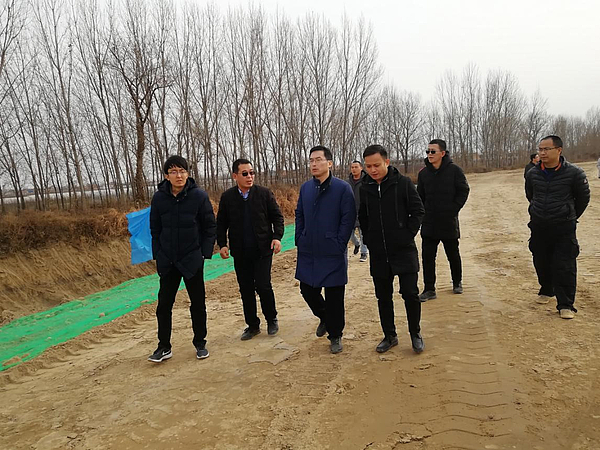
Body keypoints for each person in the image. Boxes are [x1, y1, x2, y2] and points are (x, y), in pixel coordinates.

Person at [149, 155, 217, 362]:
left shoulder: (199, 196)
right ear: (166, 176)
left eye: (182, 171)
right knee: (164, 305)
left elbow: (210, 227)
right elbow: (155, 229)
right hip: (168, 260)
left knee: (197, 303)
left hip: (192, 259)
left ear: (188, 173)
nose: (179, 175)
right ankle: (164, 346)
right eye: (174, 172)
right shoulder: (159, 198)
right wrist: (158, 255)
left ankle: (200, 343)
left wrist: (203, 253)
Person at [358, 145, 425, 354]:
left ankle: (415, 333)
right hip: (379, 253)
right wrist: (369, 239)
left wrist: (407, 234)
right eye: (368, 166)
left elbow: (418, 211)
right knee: (383, 297)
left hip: (403, 250)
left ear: (386, 162)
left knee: (410, 294)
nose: (372, 170)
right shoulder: (365, 188)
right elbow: (363, 217)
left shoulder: (403, 183)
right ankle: (389, 335)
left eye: (376, 165)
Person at [295, 145, 356, 354]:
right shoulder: (306, 188)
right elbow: (299, 214)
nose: (314, 164)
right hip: (309, 249)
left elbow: (348, 218)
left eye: (318, 160)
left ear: (329, 163)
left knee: (334, 295)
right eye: (311, 160)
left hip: (332, 249)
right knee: (307, 290)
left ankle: (335, 335)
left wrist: (340, 242)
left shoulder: (342, 188)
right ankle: (325, 317)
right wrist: (300, 237)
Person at [217, 158, 285, 340]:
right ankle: (253, 325)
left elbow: (277, 218)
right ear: (235, 176)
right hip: (240, 252)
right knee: (246, 289)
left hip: (262, 249)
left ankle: (271, 319)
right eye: (245, 173)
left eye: (252, 173)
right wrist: (222, 244)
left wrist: (277, 237)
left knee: (263, 285)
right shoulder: (228, 198)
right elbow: (221, 223)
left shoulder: (264, 194)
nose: (250, 177)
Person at [525, 135, 590, 319]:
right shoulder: (532, 173)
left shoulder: (575, 173)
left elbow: (583, 199)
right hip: (539, 225)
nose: (542, 153)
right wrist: (538, 211)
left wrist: (568, 214)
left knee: (564, 265)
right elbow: (531, 195)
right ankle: (547, 289)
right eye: (540, 149)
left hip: (563, 227)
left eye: (547, 149)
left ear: (559, 150)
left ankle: (566, 304)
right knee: (541, 260)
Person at [417, 139, 470, 301]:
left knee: (453, 254)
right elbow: (419, 197)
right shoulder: (423, 174)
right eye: (428, 151)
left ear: (442, 153)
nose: (429, 154)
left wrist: (453, 209)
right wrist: (422, 215)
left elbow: (463, 191)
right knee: (428, 257)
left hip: (448, 221)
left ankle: (457, 282)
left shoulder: (454, 171)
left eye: (433, 151)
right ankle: (429, 289)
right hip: (429, 222)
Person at [347, 160, 368, 262]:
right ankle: (357, 244)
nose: (354, 169)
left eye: (356, 167)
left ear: (361, 168)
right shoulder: (347, 183)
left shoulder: (367, 181)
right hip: (350, 212)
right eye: (352, 167)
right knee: (349, 234)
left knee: (363, 234)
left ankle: (364, 253)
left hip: (363, 211)